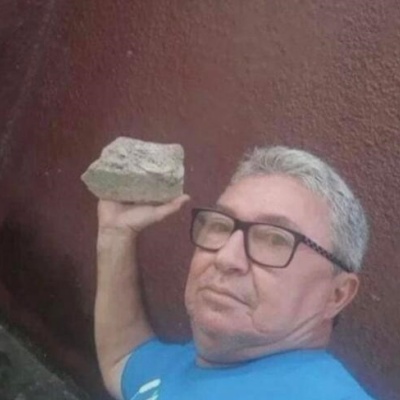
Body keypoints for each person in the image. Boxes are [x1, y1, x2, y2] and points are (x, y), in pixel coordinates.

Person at [94, 146, 375, 400]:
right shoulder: (190, 364)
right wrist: (116, 235)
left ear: (336, 295)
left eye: (274, 240)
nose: (226, 257)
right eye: (220, 225)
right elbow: (122, 359)